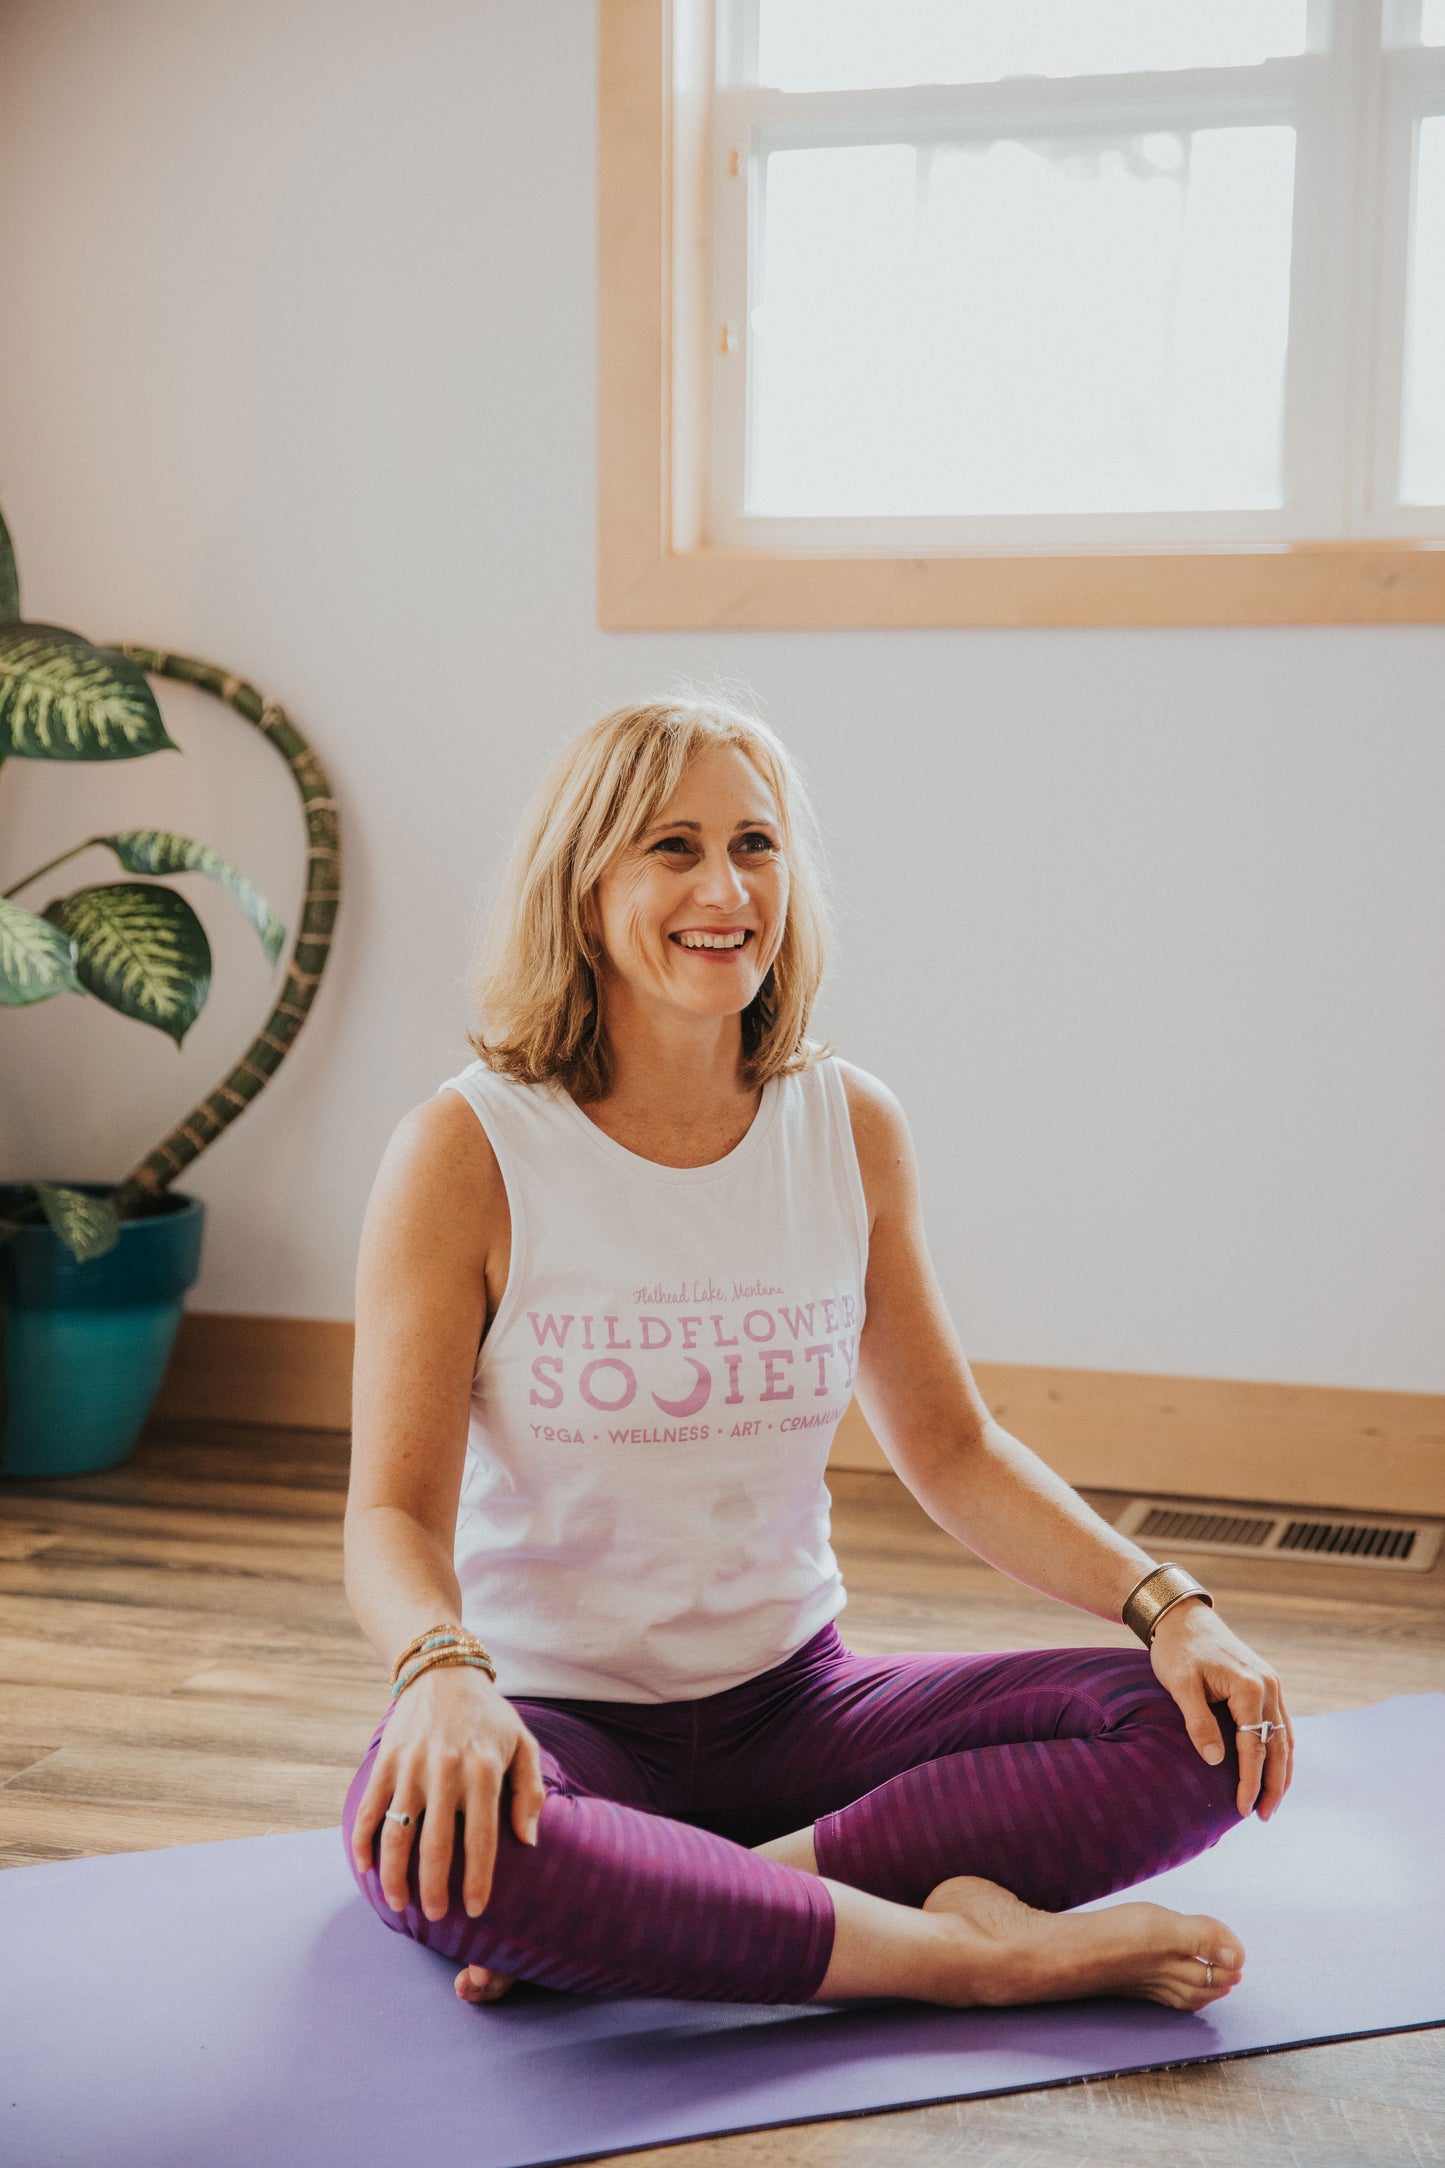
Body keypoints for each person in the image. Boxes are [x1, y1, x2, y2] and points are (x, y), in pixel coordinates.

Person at [342, 694, 1292, 2013]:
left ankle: (688, 1903)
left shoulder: (845, 1124)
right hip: (555, 1715)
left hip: (799, 1712)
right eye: (671, 847)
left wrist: (1174, 1609)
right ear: (582, 882)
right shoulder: (467, 1149)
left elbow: (953, 1450)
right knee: (427, 1852)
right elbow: (390, 1512)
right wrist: (442, 1682)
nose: (726, 888)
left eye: (756, 844)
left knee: (1195, 1731)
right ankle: (964, 1959)